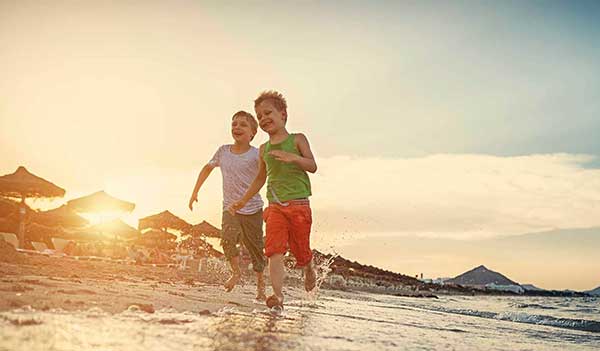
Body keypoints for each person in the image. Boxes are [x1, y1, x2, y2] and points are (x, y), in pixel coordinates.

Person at [230, 91, 317, 310]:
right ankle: (278, 296)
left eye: (268, 113)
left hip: (299, 205)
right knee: (274, 250)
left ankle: (308, 267)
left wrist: (293, 158)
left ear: (283, 114)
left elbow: (312, 165)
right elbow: (260, 177)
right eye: (259, 116)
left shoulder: (297, 139)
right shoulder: (264, 149)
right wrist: (243, 200)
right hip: (275, 206)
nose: (263, 118)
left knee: (300, 251)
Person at [189, 110, 267, 300]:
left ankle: (260, 285)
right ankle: (236, 272)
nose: (237, 127)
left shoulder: (257, 154)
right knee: (227, 239)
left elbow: (264, 176)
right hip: (230, 208)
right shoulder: (223, 151)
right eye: (234, 124)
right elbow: (207, 168)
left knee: (255, 247)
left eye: (243, 125)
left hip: (253, 208)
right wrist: (195, 191)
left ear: (252, 133)